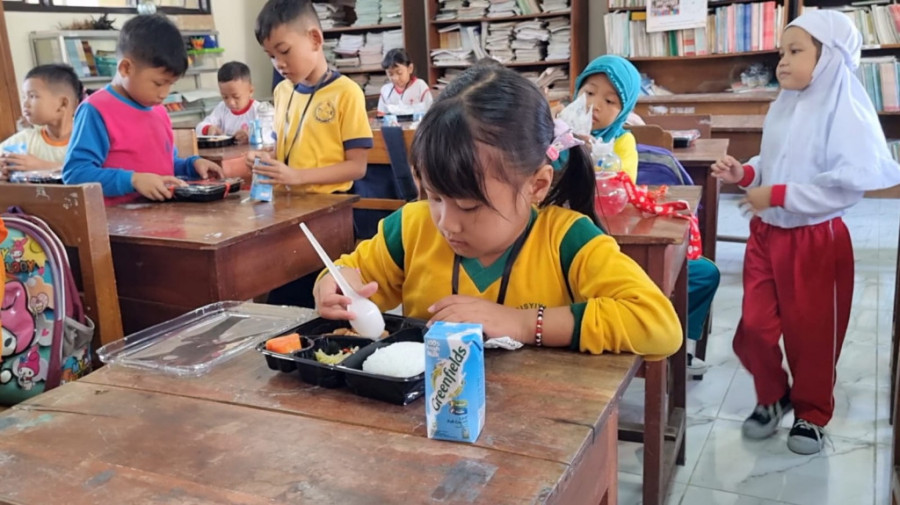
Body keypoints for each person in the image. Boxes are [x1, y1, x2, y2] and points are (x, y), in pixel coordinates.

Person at [313, 65, 682, 356]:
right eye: (436, 196)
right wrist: (334, 286)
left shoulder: (568, 241)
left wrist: (524, 324)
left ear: (537, 186)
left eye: (471, 206)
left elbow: (659, 326)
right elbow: (351, 276)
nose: (446, 222)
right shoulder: (411, 227)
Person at [712, 10, 900, 455]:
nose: (782, 61)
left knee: (812, 336)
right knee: (754, 328)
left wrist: (775, 194)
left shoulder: (846, 112)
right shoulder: (785, 104)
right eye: (781, 51)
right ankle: (772, 396)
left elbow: (842, 189)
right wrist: (747, 172)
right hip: (766, 236)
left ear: (829, 58)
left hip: (816, 241)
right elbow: (771, 159)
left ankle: (812, 414)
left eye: (795, 51)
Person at [566, 55, 721, 374]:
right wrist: (560, 142)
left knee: (701, 274)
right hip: (574, 239)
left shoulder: (623, 141)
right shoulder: (556, 132)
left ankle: (675, 350)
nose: (595, 105)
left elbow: (622, 187)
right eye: (589, 92)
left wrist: (593, 154)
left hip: (615, 237)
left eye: (610, 100)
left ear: (623, 110)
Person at [249, 0, 373, 307]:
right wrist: (265, 161)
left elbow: (357, 167)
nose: (279, 63)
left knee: (315, 300)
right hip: (285, 211)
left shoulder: (346, 93)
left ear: (315, 39)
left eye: (284, 50)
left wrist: (297, 176)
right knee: (277, 295)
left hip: (328, 215)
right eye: (271, 56)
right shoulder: (282, 92)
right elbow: (282, 148)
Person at [62, 15, 221, 205]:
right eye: (158, 83)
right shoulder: (96, 110)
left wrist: (191, 165)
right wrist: (133, 180)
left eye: (171, 84)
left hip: (166, 221)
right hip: (119, 227)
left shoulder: (158, 111)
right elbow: (76, 173)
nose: (164, 93)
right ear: (126, 68)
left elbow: (166, 166)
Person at [0, 64, 82, 180]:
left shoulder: (86, 138)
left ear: (63, 103)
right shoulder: (25, 139)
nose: (25, 104)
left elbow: (94, 175)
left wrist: (43, 166)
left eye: (33, 96)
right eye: (24, 97)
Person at [195, 61, 264, 144]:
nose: (230, 102)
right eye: (225, 97)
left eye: (236, 97)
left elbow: (270, 134)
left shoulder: (259, 110)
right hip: (226, 155)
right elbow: (199, 127)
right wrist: (209, 129)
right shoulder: (222, 108)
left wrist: (251, 135)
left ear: (251, 91)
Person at [376, 48, 433, 117]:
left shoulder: (420, 86)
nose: (395, 78)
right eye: (390, 74)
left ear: (410, 68)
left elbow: (431, 114)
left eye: (399, 73)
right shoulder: (385, 90)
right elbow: (381, 117)